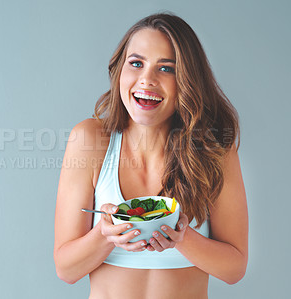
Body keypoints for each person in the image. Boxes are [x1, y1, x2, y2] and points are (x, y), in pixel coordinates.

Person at [54, 13, 248, 299]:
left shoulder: (214, 149)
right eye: (136, 64)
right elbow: (66, 270)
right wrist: (104, 236)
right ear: (120, 69)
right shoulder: (89, 140)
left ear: (187, 80)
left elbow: (235, 269)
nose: (147, 80)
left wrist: (182, 238)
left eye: (166, 69)